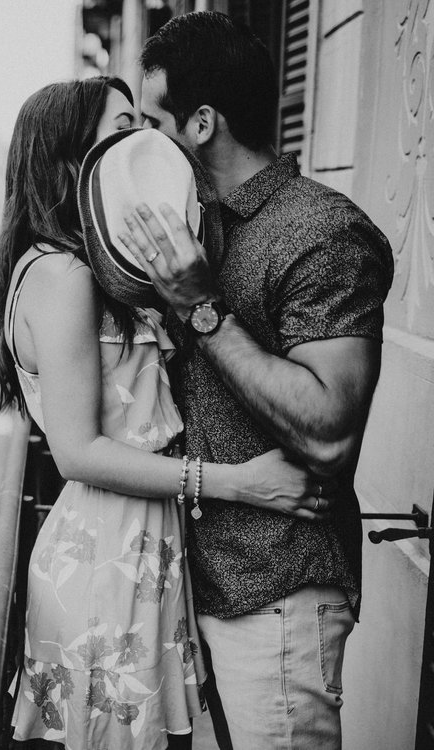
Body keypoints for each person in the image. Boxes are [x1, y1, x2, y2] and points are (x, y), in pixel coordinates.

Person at [0, 77, 320, 749]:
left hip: (135, 547)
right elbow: (78, 451)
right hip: (106, 556)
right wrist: (236, 482)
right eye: (120, 132)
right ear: (68, 163)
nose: (145, 147)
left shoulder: (80, 269)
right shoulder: (61, 278)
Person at [107, 13, 395, 749]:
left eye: (151, 122)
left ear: (202, 123)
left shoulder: (322, 232)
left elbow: (329, 431)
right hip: (204, 587)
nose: (138, 144)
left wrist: (203, 310)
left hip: (280, 594)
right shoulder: (192, 227)